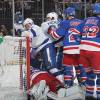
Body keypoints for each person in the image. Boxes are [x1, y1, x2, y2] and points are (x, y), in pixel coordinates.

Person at [48, 7, 87, 87]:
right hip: (80, 49)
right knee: (80, 68)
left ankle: (69, 85)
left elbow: (55, 36)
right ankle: (83, 85)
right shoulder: (82, 22)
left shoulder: (64, 23)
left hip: (68, 50)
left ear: (66, 14)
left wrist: (50, 30)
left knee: (68, 69)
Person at [22, 18, 63, 83]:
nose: (28, 26)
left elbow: (30, 34)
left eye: (28, 24)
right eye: (26, 25)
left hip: (46, 46)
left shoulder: (35, 27)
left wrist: (24, 33)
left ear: (31, 23)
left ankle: (62, 82)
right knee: (41, 69)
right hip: (39, 50)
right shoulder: (29, 32)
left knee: (51, 68)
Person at [79, 3, 100, 100]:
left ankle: (89, 96)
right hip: (95, 50)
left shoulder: (86, 20)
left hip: (83, 50)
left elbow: (78, 32)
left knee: (90, 75)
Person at [41, 12, 64, 83]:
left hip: (57, 47)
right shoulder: (61, 23)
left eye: (48, 18)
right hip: (54, 46)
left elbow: (55, 36)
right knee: (49, 67)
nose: (47, 20)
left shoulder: (46, 24)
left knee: (54, 67)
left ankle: (60, 83)